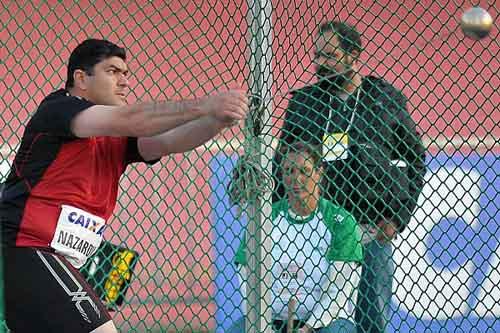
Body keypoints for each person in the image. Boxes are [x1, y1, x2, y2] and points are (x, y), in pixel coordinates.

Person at [0, 38, 249, 333]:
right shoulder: (60, 110)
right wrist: (203, 105)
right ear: (81, 78)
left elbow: (167, 142)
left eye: (126, 74)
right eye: (113, 71)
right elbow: (133, 120)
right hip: (26, 247)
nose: (124, 81)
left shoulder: (115, 134)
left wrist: (218, 121)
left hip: (60, 259)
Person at [273, 22, 426, 333]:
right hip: (316, 238)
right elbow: (281, 165)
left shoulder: (384, 100)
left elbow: (414, 158)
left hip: (370, 232)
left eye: (330, 56)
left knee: (371, 323)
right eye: (317, 56)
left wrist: (398, 216)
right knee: (314, 324)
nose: (320, 64)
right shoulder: (305, 104)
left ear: (353, 55)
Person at [229, 142, 364, 333]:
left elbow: (338, 291)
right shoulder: (266, 217)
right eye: (289, 171)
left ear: (319, 173)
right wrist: (263, 325)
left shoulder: (341, 222)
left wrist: (308, 328)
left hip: (325, 322)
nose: (296, 178)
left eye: (305, 170)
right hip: (271, 322)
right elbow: (246, 275)